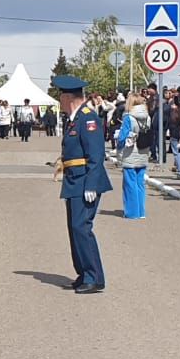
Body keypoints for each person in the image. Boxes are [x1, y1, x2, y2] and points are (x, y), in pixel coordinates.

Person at [53, 75, 112, 293]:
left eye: (60, 96)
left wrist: (91, 185)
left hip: (85, 181)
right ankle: (83, 272)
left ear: (69, 97)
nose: (59, 100)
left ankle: (94, 277)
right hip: (73, 180)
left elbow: (96, 155)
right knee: (74, 228)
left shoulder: (88, 119)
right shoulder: (75, 119)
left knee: (82, 228)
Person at [114, 94, 150, 219]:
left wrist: (118, 148)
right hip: (143, 151)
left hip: (130, 153)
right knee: (140, 183)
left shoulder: (129, 118)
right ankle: (141, 211)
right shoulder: (147, 117)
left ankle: (131, 212)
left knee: (129, 184)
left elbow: (122, 137)